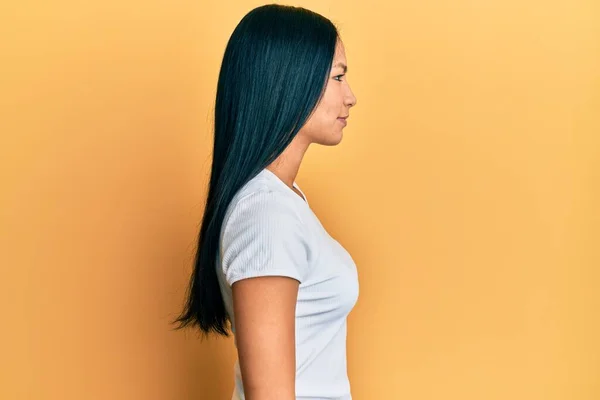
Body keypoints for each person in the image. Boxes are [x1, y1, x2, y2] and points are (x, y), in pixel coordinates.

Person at [173, 4, 358, 399]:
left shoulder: (283, 201)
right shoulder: (265, 214)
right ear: (292, 81)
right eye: (338, 77)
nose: (351, 96)